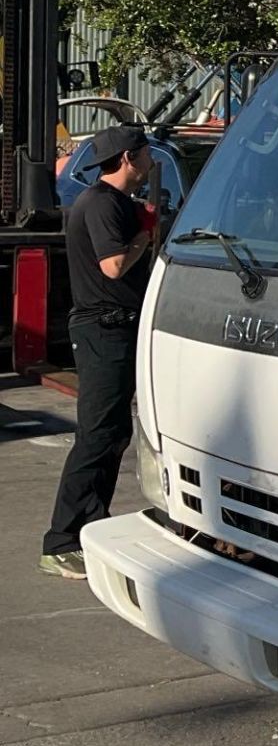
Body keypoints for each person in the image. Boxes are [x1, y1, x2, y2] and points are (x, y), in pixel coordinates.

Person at [39, 125, 159, 579]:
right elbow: (113, 266)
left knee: (111, 434)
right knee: (96, 434)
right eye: (145, 152)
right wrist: (144, 235)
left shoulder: (114, 203)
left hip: (117, 329)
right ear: (129, 157)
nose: (149, 160)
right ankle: (61, 539)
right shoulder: (102, 204)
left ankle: (90, 525)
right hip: (103, 329)